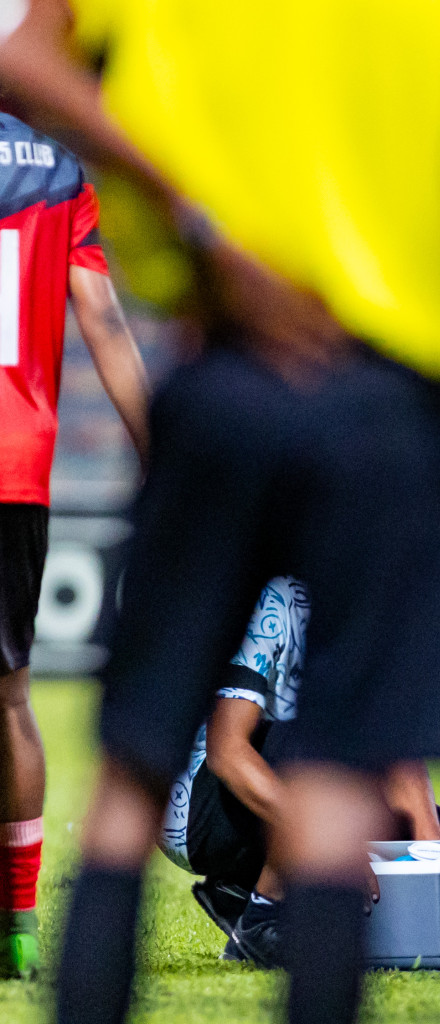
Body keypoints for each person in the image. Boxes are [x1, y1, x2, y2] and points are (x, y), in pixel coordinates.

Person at [0, 2, 440, 1022]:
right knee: (340, 798)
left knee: (130, 785)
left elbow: (26, 63)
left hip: (224, 375)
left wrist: (199, 223)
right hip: (392, 408)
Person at [157, 577, 440, 966]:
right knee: (333, 748)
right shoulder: (277, 596)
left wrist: (432, 857)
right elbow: (227, 751)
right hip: (197, 805)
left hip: (296, 777)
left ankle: (250, 885)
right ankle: (262, 912)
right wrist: (319, 829)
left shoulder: (380, 601)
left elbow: (397, 746)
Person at [0, 112, 149, 978]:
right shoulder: (55, 169)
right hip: (17, 468)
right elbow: (106, 326)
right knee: (10, 699)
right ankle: (16, 922)